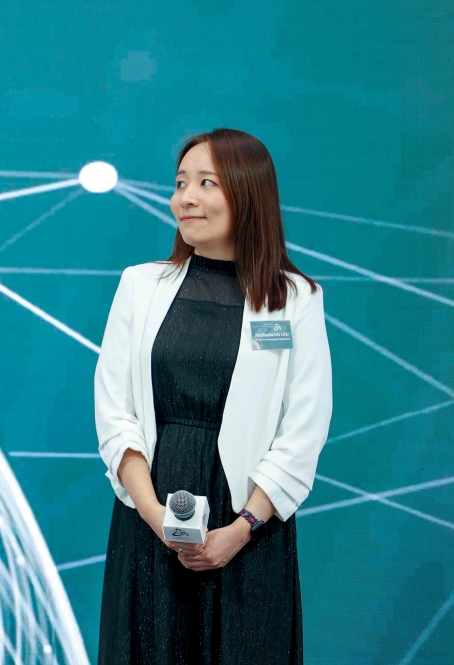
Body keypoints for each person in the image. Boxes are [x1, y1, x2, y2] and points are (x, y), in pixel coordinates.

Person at [94, 128, 332, 664]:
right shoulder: (140, 285)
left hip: (249, 529)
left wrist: (243, 528)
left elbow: (304, 426)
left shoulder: (294, 300)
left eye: (207, 183)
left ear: (249, 194)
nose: (186, 198)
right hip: (148, 518)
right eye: (181, 183)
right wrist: (154, 514)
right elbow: (115, 412)